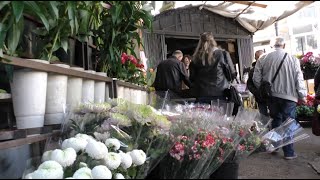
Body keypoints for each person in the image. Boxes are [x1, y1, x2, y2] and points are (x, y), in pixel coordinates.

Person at [253, 36, 307, 160]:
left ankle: (273, 146)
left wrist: (263, 88)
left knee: (276, 121)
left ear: (272, 46)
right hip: (289, 96)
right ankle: (289, 152)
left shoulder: (263, 58)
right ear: (284, 45)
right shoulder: (293, 59)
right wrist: (302, 95)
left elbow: (256, 78)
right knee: (288, 123)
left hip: (272, 96)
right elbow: (299, 78)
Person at [189, 32, 236, 104]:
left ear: (200, 42)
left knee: (202, 115)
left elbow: (192, 78)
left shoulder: (195, 58)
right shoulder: (222, 54)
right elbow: (232, 74)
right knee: (221, 114)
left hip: (201, 93)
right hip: (220, 92)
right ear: (213, 41)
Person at [247, 50, 269, 116]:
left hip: (271, 96)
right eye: (258, 57)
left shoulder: (270, 67)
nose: (260, 59)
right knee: (263, 116)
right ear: (255, 58)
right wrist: (257, 92)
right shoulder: (252, 70)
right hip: (260, 97)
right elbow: (249, 84)